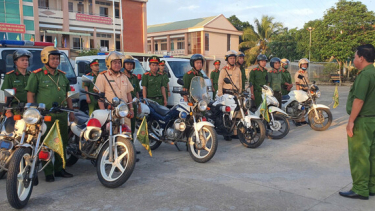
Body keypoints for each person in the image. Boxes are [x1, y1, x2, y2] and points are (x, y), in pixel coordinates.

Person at [25, 46, 75, 182]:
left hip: (62, 114)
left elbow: (68, 94)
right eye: (53, 58)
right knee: (46, 144)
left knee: (62, 143)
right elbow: (31, 94)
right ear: (45, 59)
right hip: (45, 115)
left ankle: (60, 169)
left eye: (57, 58)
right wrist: (33, 111)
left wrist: (71, 112)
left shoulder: (62, 76)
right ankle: (48, 172)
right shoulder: (37, 75)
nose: (55, 61)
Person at [339, 44, 375, 200]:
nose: (353, 60)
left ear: (361, 57)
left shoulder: (365, 75)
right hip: (373, 119)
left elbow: (359, 100)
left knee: (359, 155)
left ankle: (360, 189)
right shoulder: (373, 72)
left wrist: (351, 121)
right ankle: (371, 186)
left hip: (363, 121)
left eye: (354, 57)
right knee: (372, 156)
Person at [95, 51, 134, 128]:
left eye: (119, 63)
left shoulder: (124, 77)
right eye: (115, 63)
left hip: (123, 111)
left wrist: (131, 109)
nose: (117, 65)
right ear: (109, 63)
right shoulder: (102, 76)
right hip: (110, 111)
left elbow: (128, 94)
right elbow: (100, 97)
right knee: (111, 135)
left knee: (127, 133)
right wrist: (104, 113)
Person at [1, 50, 32, 116]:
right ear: (15, 62)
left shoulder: (32, 76)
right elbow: (7, 95)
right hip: (16, 109)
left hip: (31, 109)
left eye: (27, 60)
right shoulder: (10, 76)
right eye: (22, 60)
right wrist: (8, 111)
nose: (25, 62)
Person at [123, 55, 142, 150]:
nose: (129, 66)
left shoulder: (134, 78)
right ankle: (125, 148)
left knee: (133, 127)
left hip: (133, 104)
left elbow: (137, 92)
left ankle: (131, 148)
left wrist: (138, 105)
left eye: (131, 64)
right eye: (127, 64)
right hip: (123, 105)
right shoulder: (121, 77)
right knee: (125, 127)